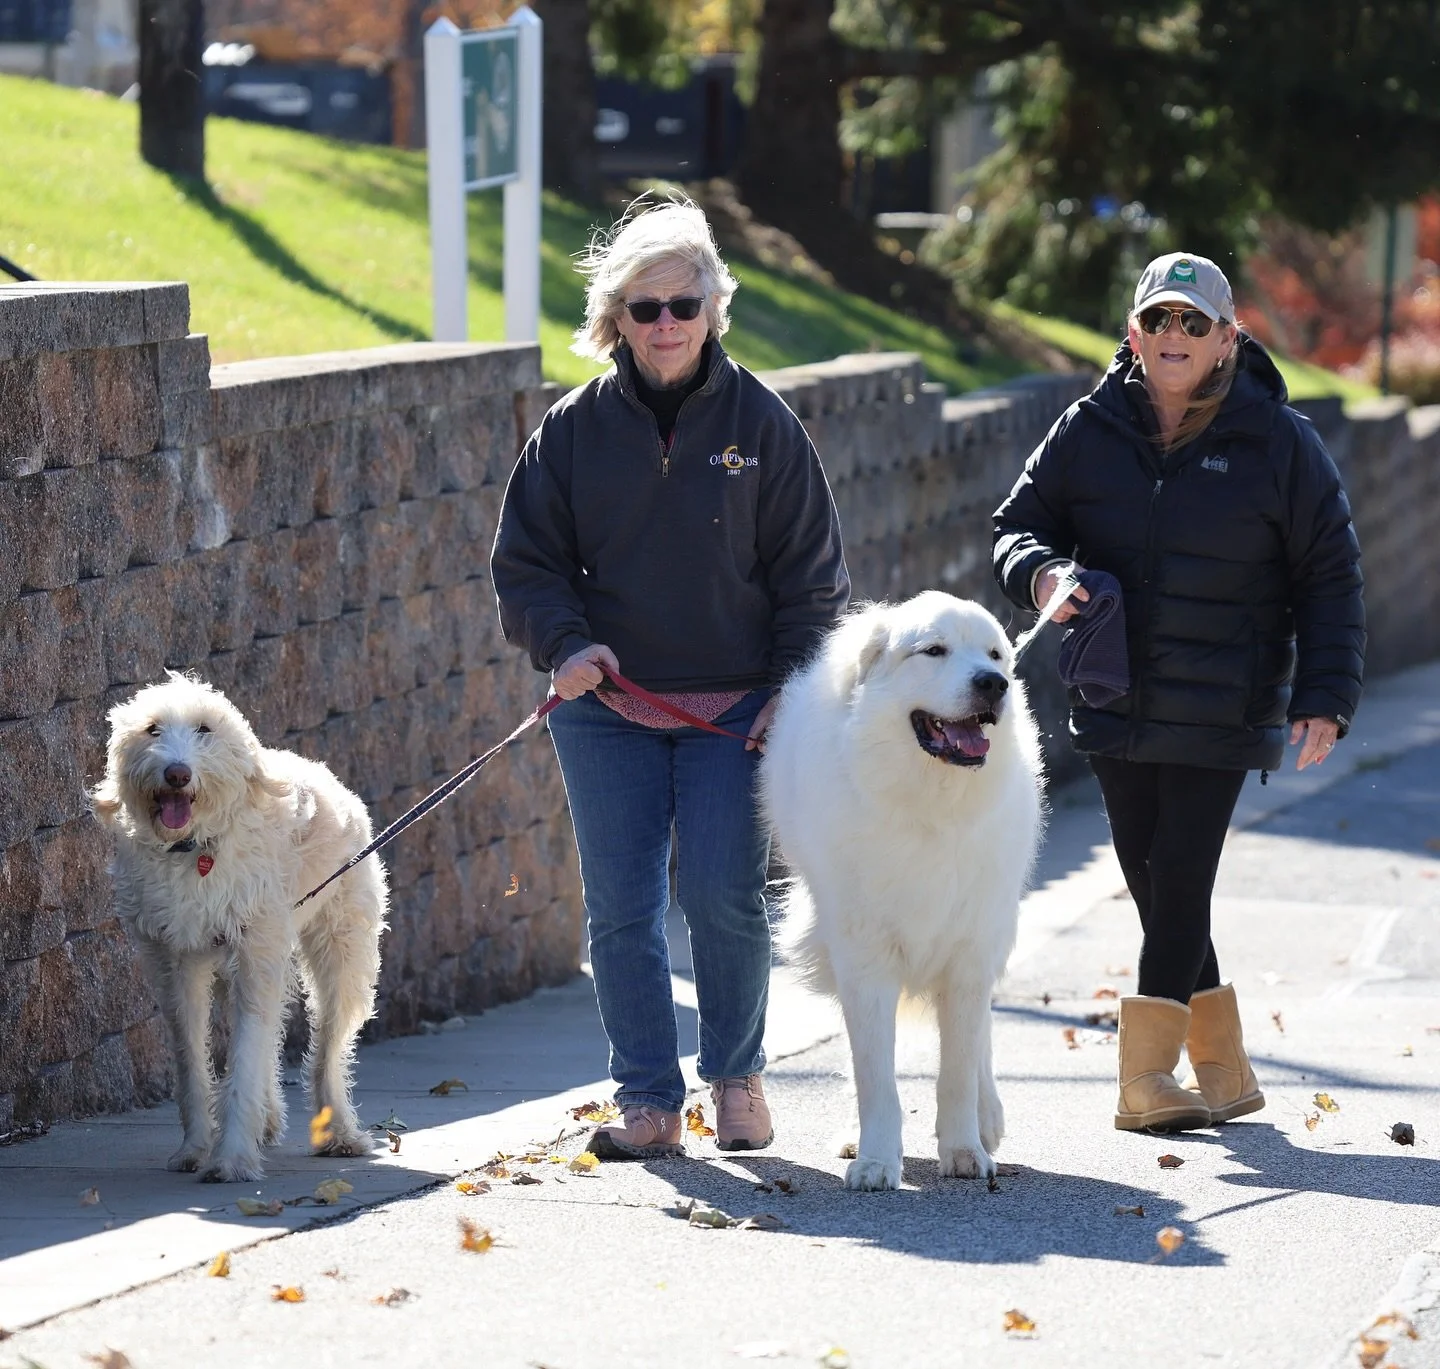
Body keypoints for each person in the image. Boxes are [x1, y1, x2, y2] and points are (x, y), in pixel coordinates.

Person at [491, 197, 850, 1158]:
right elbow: (525, 563)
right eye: (643, 308)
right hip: (607, 706)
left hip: (737, 708)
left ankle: (735, 1076)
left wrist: (790, 687)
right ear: (615, 317)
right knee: (620, 905)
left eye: (682, 305)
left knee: (726, 895)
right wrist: (565, 646)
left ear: (712, 308)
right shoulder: (570, 432)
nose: (664, 326)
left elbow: (811, 579)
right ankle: (647, 1099)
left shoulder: (765, 426)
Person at [993, 252, 1364, 1133]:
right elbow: (1016, 525)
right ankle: (1225, 1070)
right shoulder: (1088, 428)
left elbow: (1330, 573)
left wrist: (1324, 692)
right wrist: (1041, 573)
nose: (1174, 336)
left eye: (1194, 323)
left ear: (1229, 339)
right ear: (1132, 333)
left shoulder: (1280, 443)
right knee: (1151, 877)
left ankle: (1145, 1077)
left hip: (1225, 699)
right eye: (1158, 319)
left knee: (1184, 873)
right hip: (1113, 690)